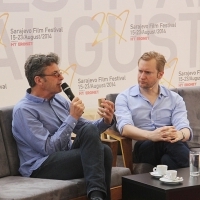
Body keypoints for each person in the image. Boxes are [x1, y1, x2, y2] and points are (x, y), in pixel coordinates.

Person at [12, 52, 115, 200]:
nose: (61, 78)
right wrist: (72, 117)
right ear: (39, 80)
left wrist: (105, 121)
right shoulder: (24, 110)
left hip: (65, 156)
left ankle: (96, 197)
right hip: (41, 166)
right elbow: (48, 149)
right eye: (55, 74)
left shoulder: (59, 100)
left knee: (102, 147)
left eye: (60, 73)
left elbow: (88, 129)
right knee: (103, 151)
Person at [115, 51, 193, 170]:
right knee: (165, 140)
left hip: (172, 144)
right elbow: (125, 128)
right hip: (143, 147)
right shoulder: (125, 97)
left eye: (147, 72)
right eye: (140, 71)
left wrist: (179, 134)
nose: (142, 76)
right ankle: (195, 165)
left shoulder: (174, 99)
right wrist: (151, 135)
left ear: (160, 74)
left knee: (167, 160)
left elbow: (185, 128)